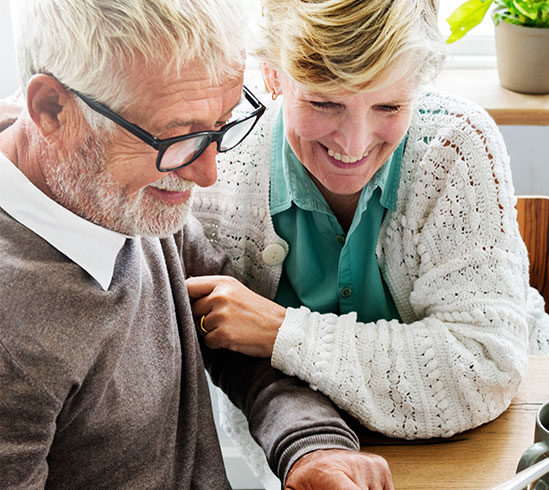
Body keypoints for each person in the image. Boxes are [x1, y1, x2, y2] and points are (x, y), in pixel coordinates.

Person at [0, 1, 394, 488]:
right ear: (52, 110)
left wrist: (313, 449)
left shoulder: (115, 194)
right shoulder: (11, 332)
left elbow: (240, 344)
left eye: (222, 124)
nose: (207, 174)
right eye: (177, 138)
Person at [187, 0, 549, 486]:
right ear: (273, 75)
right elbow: (237, 370)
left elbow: (483, 365)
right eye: (324, 103)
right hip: (316, 455)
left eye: (389, 106)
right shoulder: (216, 172)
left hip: (519, 433)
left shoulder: (457, 145)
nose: (353, 145)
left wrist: (281, 332)